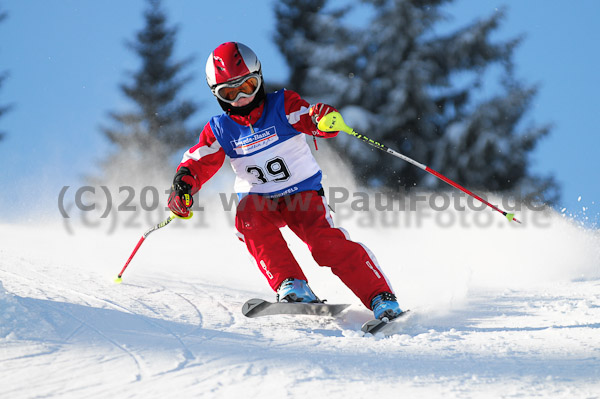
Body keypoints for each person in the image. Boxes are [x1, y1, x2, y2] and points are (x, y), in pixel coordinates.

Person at [168, 42, 402, 320]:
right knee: (247, 217)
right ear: (217, 96)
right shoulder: (221, 129)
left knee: (325, 245)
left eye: (248, 86)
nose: (241, 97)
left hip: (303, 196)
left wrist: (321, 119)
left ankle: (381, 298)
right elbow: (197, 160)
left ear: (260, 79)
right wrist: (183, 184)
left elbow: (307, 117)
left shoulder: (282, 105)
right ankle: (293, 284)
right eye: (230, 92)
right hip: (259, 202)